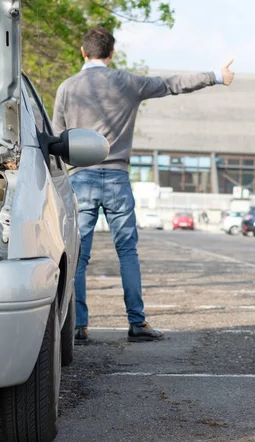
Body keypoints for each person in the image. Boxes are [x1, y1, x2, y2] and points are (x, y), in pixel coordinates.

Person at [53, 26, 235, 343]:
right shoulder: (128, 83)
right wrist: (215, 76)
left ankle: (78, 326)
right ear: (111, 53)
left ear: (83, 52)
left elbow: (57, 141)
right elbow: (172, 85)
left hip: (80, 179)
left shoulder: (67, 89)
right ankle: (137, 324)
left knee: (79, 256)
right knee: (127, 253)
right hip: (117, 180)